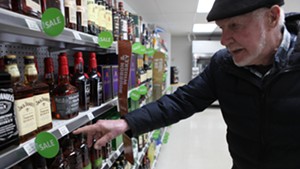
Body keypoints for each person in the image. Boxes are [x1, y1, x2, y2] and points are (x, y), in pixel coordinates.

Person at [73, 0, 300, 168]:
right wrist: (126, 123)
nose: (223, 40)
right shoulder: (223, 65)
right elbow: (182, 101)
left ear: (272, 17)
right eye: (222, 28)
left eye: (234, 26)